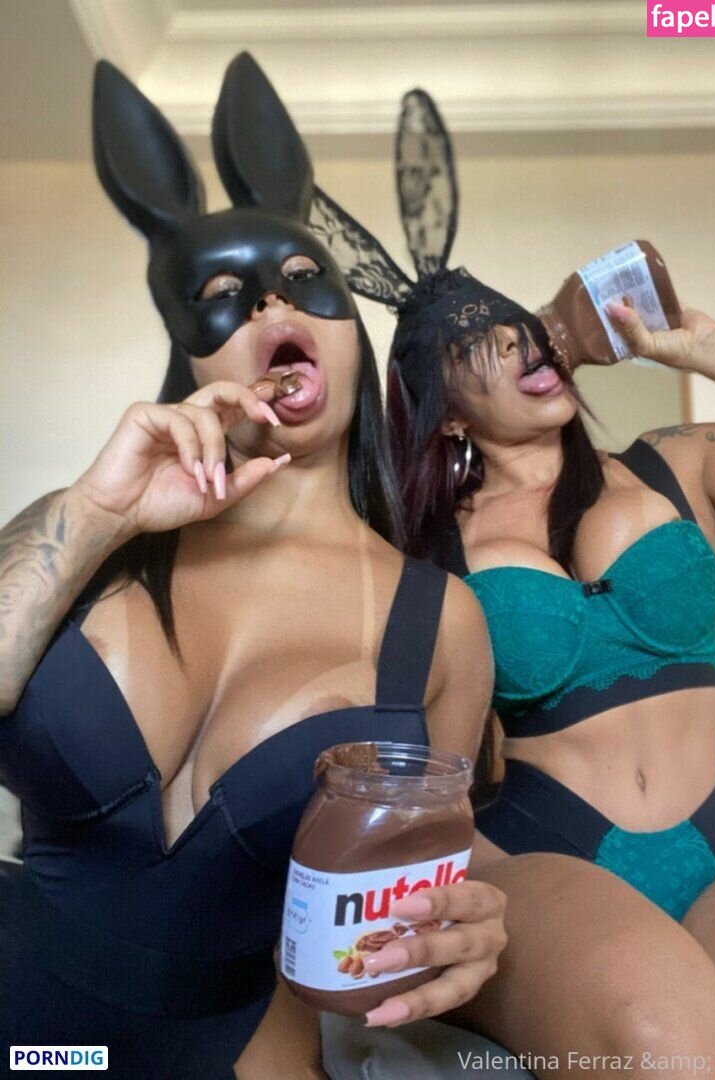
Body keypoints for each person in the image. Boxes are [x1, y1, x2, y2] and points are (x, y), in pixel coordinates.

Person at [0, 56, 507, 1079]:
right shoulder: (75, 534)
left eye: (304, 278)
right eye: (221, 295)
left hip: (231, 1050)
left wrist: (483, 913)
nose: (272, 304)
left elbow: (431, 858)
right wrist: (96, 515)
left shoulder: (437, 621)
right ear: (188, 356)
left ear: (349, 337)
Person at [313, 88, 715, 1073]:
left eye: (519, 327)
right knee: (662, 1041)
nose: (517, 344)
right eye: (477, 346)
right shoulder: (425, 553)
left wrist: (699, 345)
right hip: (540, 864)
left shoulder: (677, 465)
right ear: (445, 412)